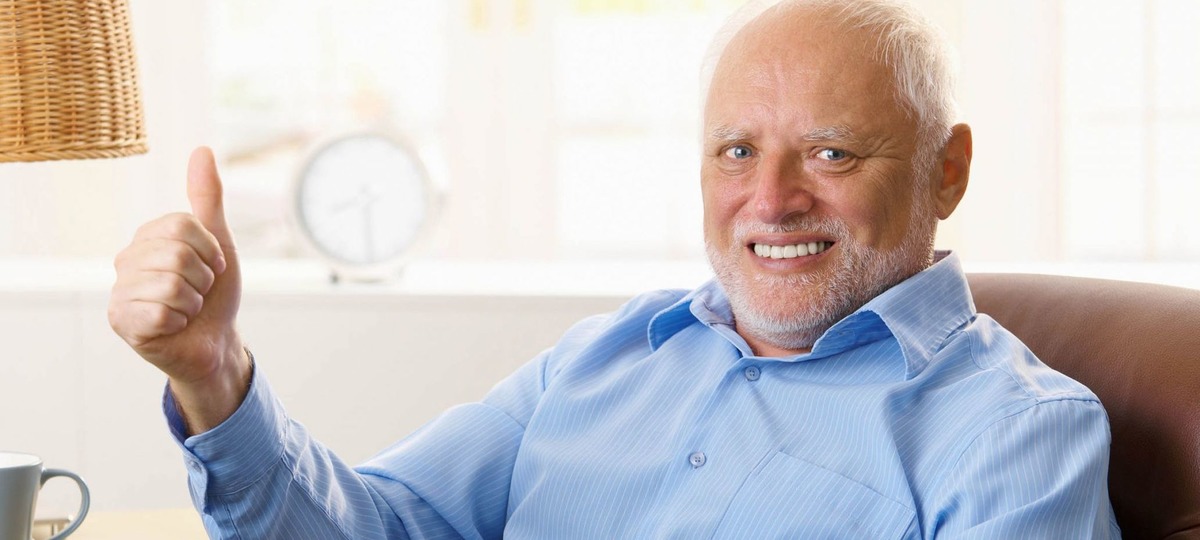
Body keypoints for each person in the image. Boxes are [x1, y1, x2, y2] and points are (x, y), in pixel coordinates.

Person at [108, 0, 1121, 538]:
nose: (771, 200)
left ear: (947, 170)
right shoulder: (601, 360)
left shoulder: (1018, 437)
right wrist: (215, 376)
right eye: (737, 151)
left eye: (831, 152)